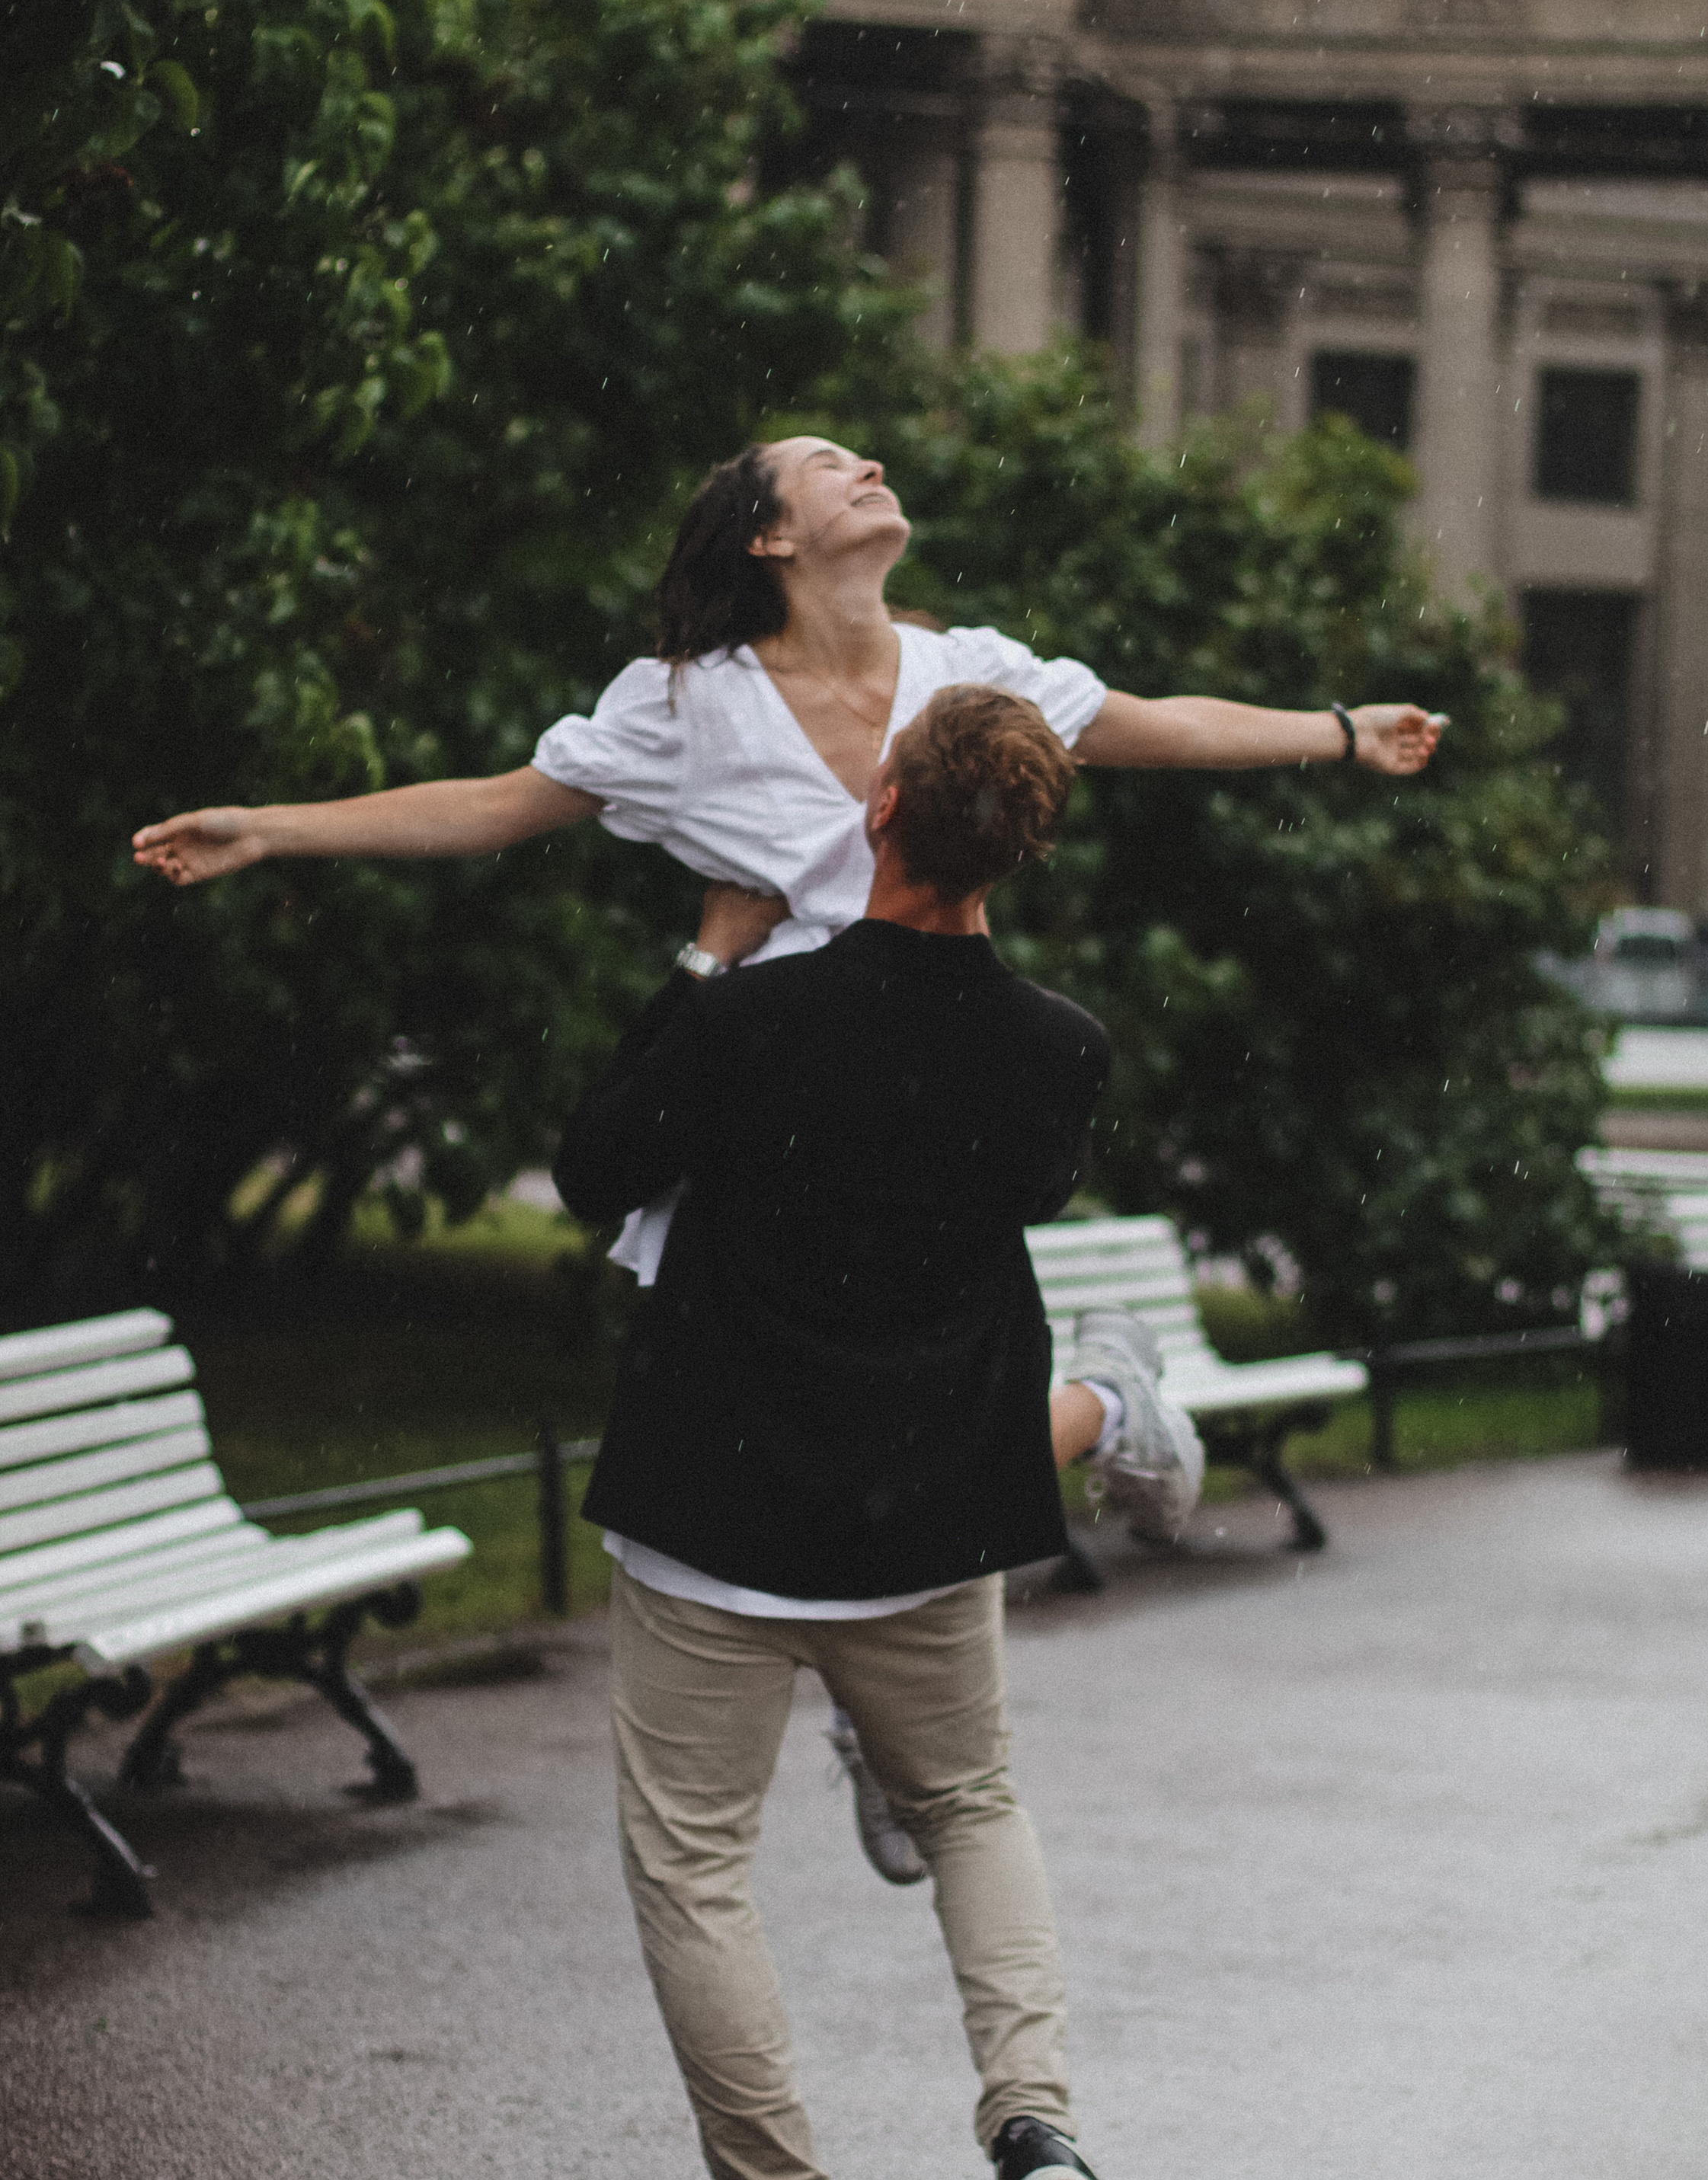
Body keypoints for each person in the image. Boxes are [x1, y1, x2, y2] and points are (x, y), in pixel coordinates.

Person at [130, 433, 1447, 1870]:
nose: (869, 462)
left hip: (924, 1100)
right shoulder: (688, 704)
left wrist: (1337, 731)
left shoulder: (968, 673)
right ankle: (1029, 1511)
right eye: (829, 463)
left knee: (908, 1415)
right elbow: (498, 803)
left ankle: (918, 1686)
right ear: (767, 535)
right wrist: (274, 830)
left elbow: (1154, 725)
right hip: (772, 1113)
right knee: (800, 1431)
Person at [551, 683, 1158, 2180]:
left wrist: (706, 958)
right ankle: (1033, 2125)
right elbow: (1017, 1192)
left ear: (880, 807)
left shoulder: (756, 1020)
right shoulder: (1057, 1050)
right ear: (1019, 851)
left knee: (695, 1868)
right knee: (968, 1806)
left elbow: (594, 1169)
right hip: (928, 1515)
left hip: (719, 1509)